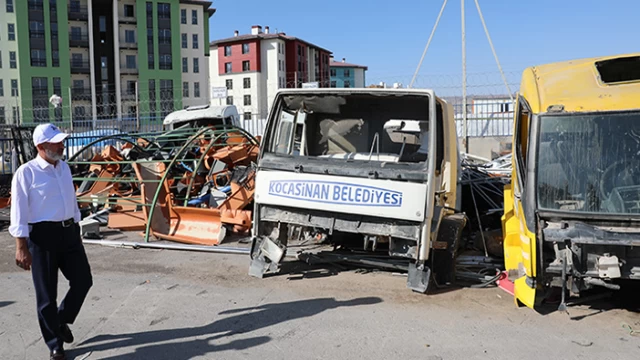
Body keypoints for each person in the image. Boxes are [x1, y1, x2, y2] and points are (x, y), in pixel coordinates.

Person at [9, 123, 93, 360]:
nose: (62, 145)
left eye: (61, 141)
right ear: (41, 146)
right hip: (42, 237)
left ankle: (61, 319)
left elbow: (71, 200)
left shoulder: (64, 168)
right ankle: (55, 343)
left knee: (83, 280)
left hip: (68, 233)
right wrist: (21, 246)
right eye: (56, 142)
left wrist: (77, 227)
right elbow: (19, 212)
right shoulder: (27, 173)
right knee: (47, 294)